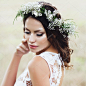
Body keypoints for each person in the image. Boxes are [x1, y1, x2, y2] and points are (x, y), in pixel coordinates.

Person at [1, 1, 77, 86]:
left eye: (39, 34)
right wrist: (17, 55)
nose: (31, 39)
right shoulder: (56, 58)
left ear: (53, 34)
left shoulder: (38, 63)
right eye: (27, 32)